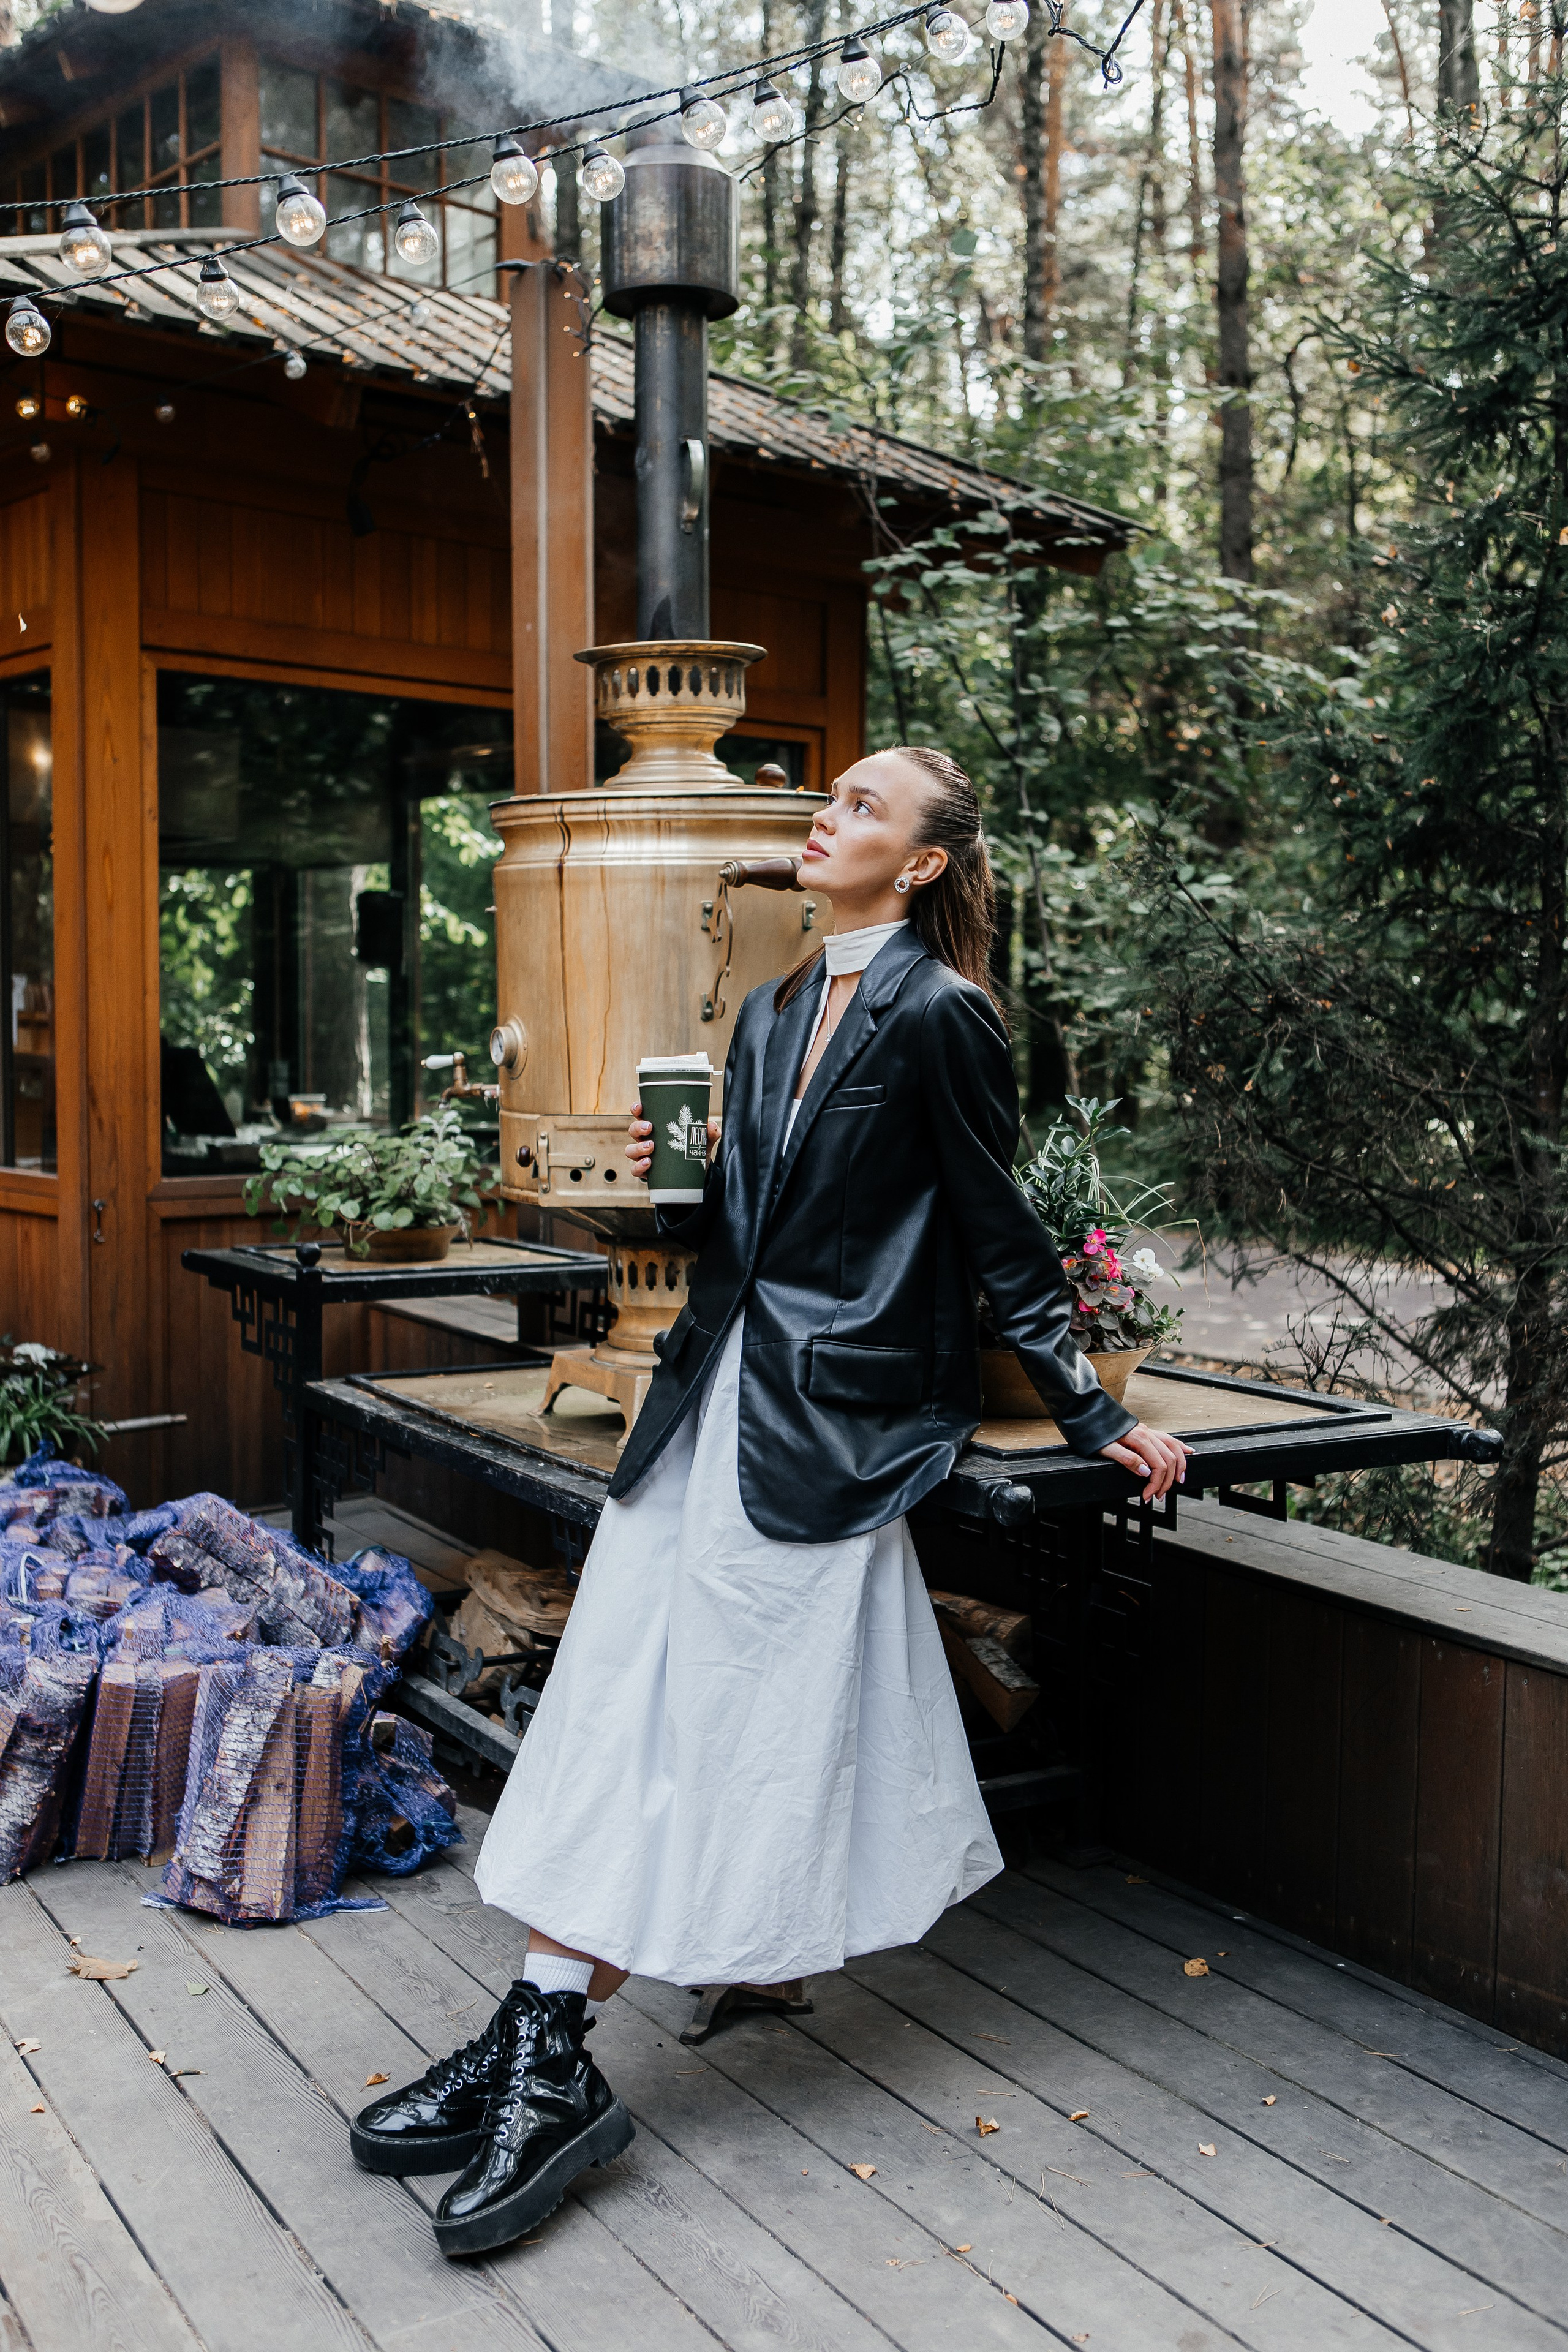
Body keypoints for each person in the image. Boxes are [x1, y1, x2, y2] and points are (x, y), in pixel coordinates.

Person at [350, 745, 1191, 2258]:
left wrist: (1085, 1405)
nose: (827, 814)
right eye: (834, 797)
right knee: (619, 1709)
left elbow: (997, 1226)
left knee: (697, 1732)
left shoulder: (944, 1017)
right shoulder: (777, 1005)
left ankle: (541, 2059)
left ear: (922, 864)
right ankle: (537, 2042)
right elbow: (743, 1226)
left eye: (865, 807)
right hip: (704, 1409)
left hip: (828, 1432)